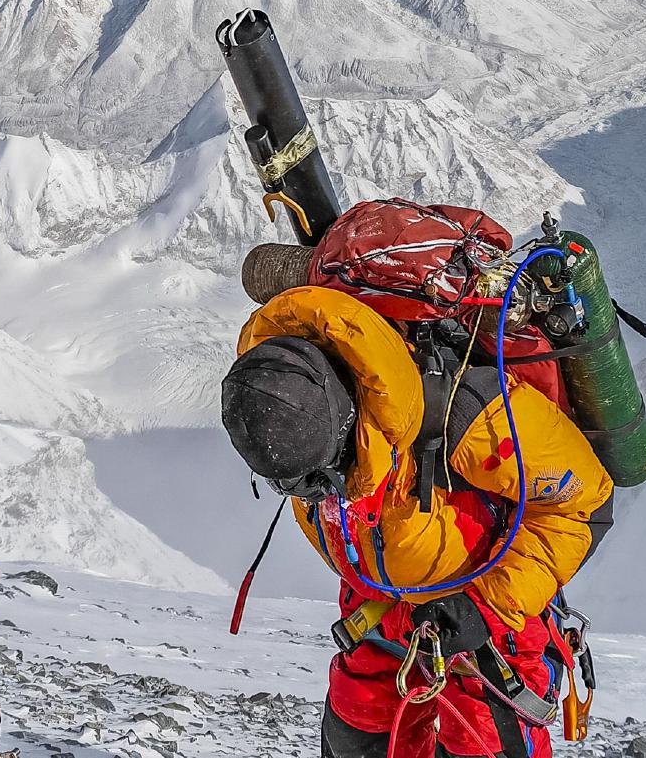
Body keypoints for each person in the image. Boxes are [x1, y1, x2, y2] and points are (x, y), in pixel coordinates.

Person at [222, 205, 615, 758]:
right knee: (356, 736)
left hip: (485, 624)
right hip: (377, 603)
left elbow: (584, 502)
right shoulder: (285, 398)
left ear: (345, 422)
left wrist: (486, 609)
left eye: (318, 477)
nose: (315, 493)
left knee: (480, 742)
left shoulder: (468, 413)